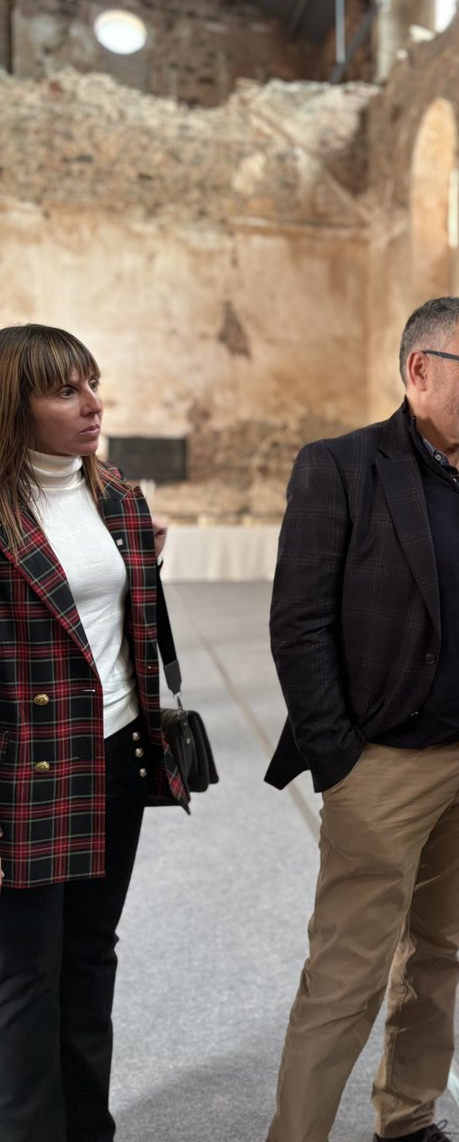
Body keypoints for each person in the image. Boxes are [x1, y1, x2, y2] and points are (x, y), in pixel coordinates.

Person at [265, 296, 459, 1142]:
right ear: (420, 368)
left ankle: (408, 1120)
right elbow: (299, 624)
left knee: (439, 954)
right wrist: (341, 759)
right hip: (384, 766)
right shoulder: (340, 466)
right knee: (345, 976)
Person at [0, 324, 188, 1142]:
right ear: (15, 407)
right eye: (64, 390)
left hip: (116, 752)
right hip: (25, 767)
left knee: (90, 955)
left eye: (92, 384)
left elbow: (119, 622)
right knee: (23, 976)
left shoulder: (117, 497)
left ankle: (89, 1129)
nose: (91, 404)